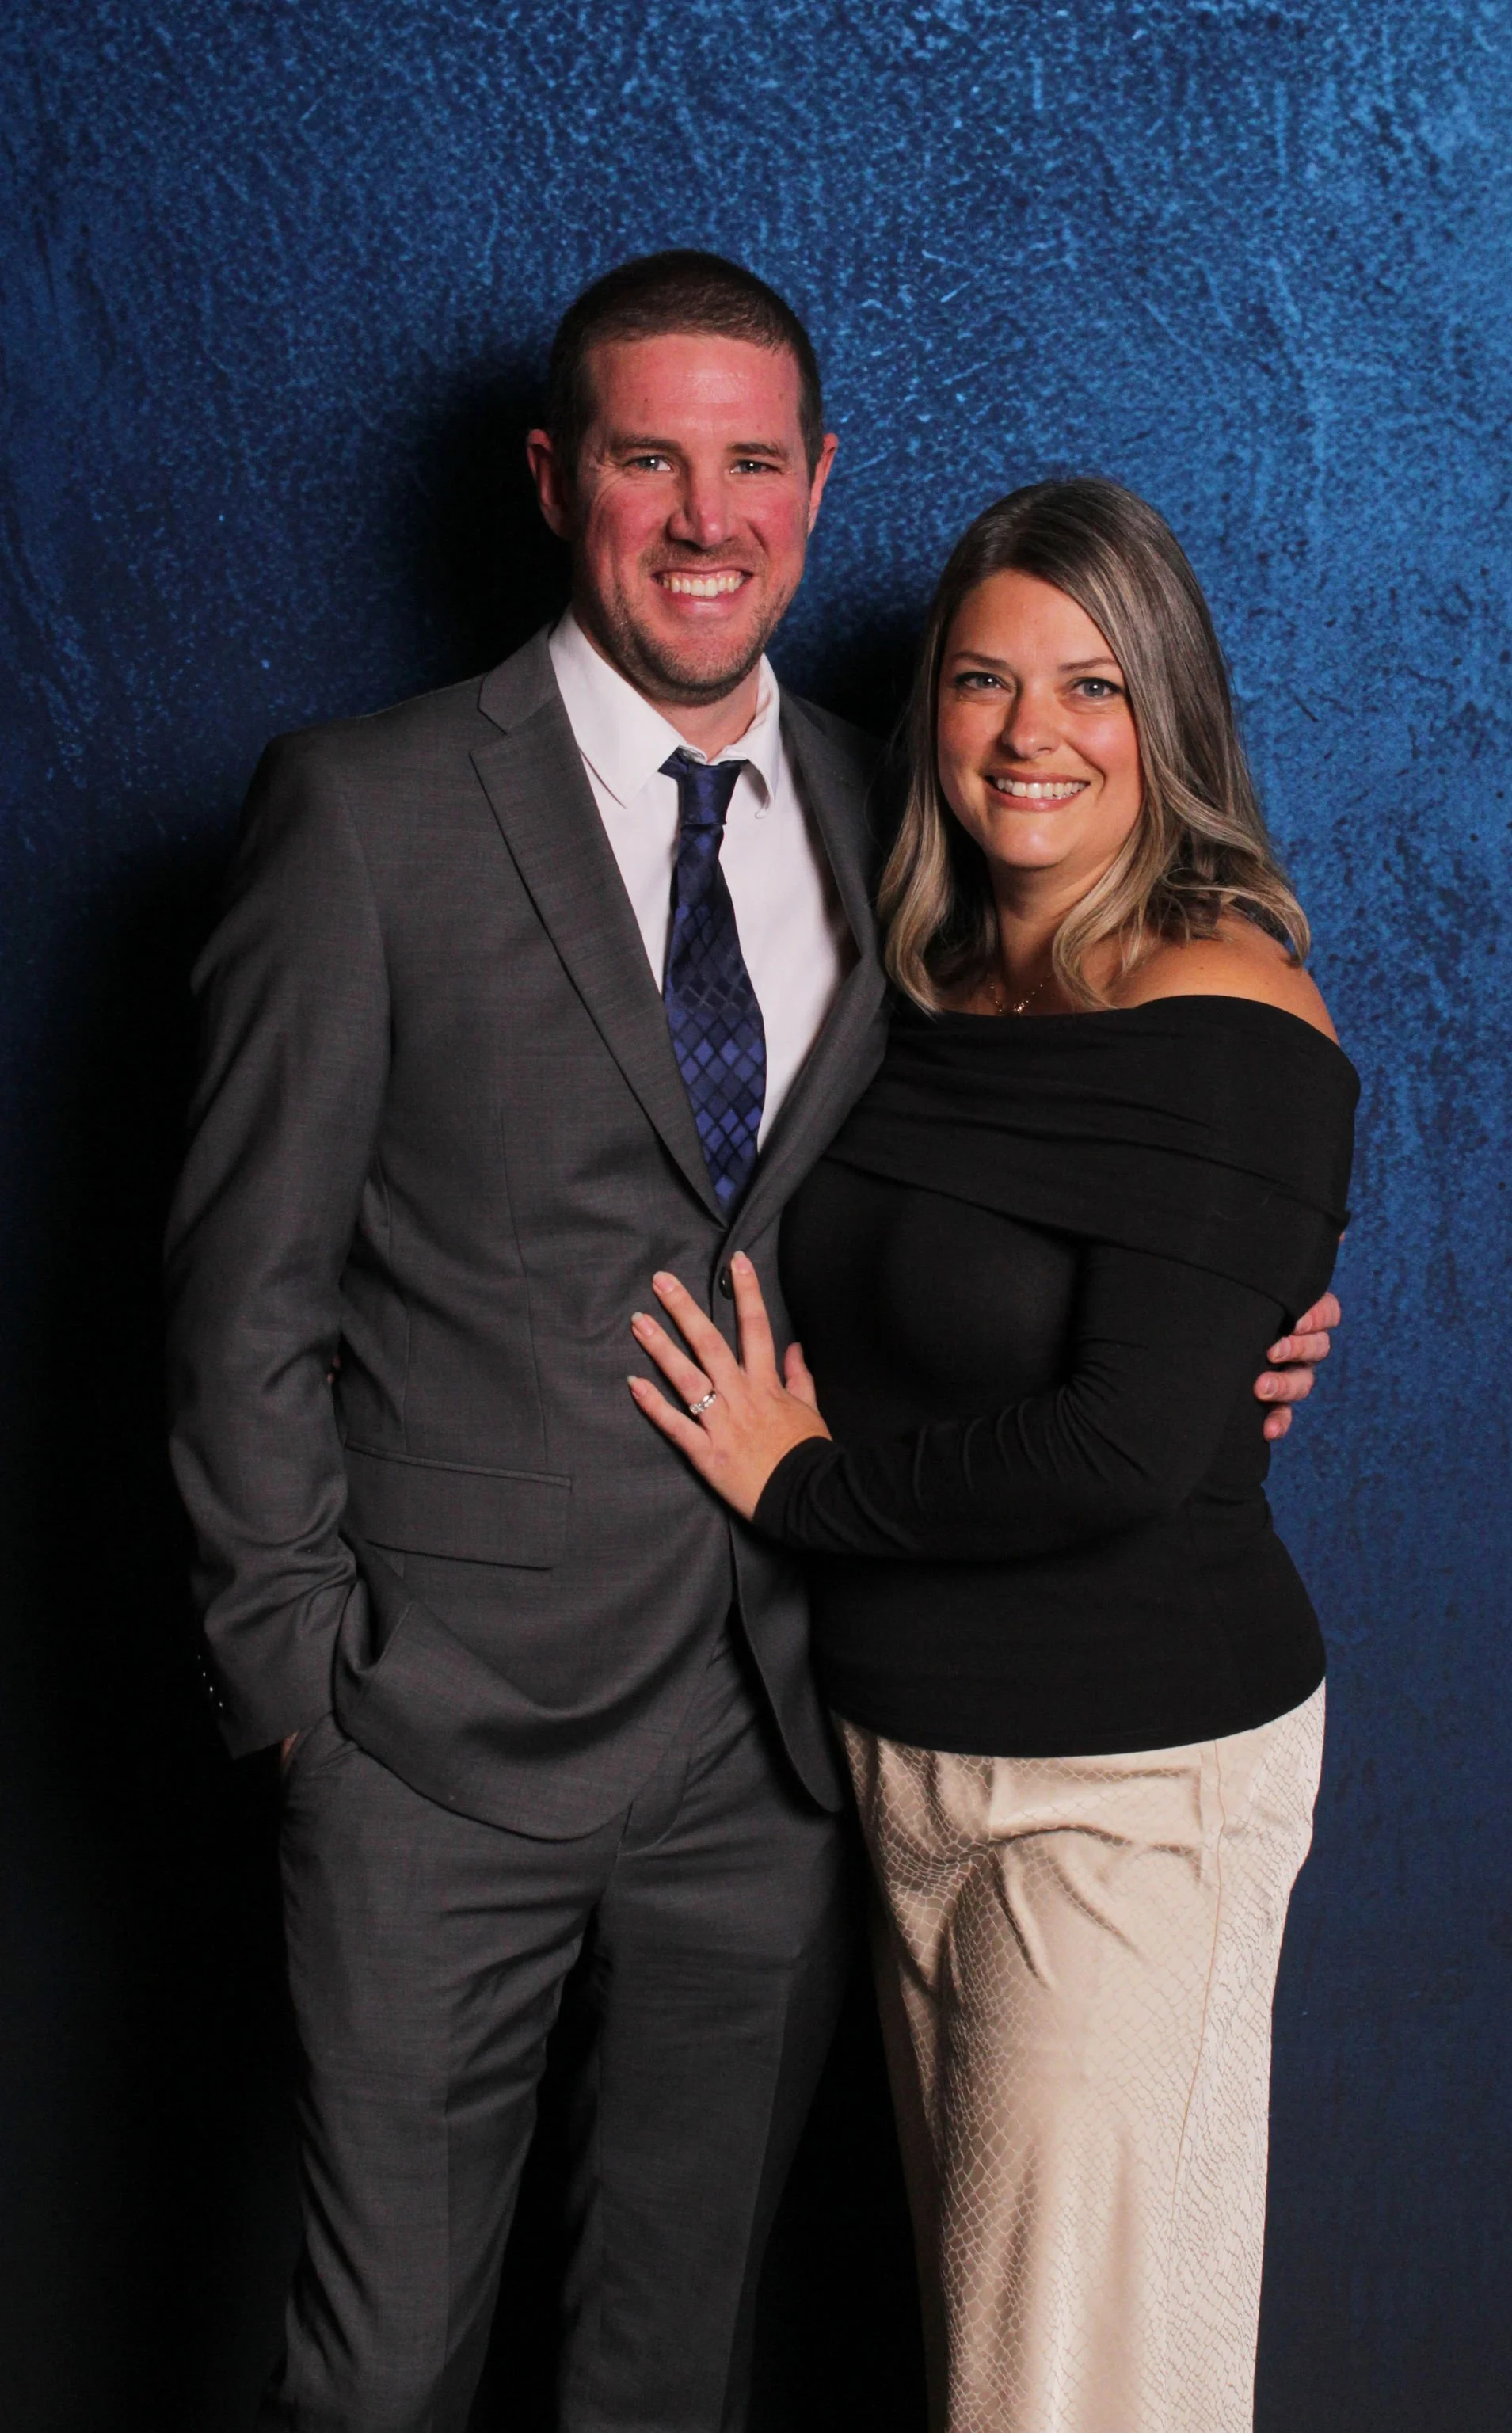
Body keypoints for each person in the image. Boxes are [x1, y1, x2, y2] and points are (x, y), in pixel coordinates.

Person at [166, 244, 1337, 2433]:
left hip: (783, 1752)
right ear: (555, 479)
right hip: (432, 1761)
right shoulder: (367, 811)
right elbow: (244, 1289)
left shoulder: (912, 808)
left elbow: (1093, 1147)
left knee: (670, 2376)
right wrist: (301, 1701)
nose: (707, 519)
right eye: (647, 461)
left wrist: (1237, 1306)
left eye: (754, 464)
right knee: (381, 2373)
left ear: (819, 484)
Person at [627, 477, 1358, 2433]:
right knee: (1029, 2365)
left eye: (1093, 685)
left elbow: (1121, 1447)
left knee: (1064, 2392)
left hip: (1119, 1792)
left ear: (1170, 722)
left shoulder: (1229, 1007)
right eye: (980, 681)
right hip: (905, 1762)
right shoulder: (919, 990)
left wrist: (798, 1489)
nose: (1031, 734)